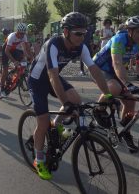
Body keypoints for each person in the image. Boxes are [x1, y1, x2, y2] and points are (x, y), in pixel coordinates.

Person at [29, 12, 112, 180]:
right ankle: (39, 159)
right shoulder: (54, 44)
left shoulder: (81, 47)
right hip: (38, 80)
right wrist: (64, 103)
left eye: (85, 33)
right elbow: (52, 75)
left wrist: (108, 94)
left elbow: (94, 70)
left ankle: (57, 123)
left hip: (53, 77)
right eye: (78, 33)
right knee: (43, 122)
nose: (83, 37)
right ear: (66, 32)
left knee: (76, 100)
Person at [93, 16, 139, 153]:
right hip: (100, 68)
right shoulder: (119, 39)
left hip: (116, 71)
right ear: (129, 31)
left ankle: (125, 130)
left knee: (130, 102)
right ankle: (98, 110)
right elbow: (117, 63)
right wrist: (126, 83)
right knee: (115, 88)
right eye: (138, 32)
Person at [0, 23, 33, 98]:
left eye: (23, 33)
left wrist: (32, 58)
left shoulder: (24, 36)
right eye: (20, 33)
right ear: (17, 31)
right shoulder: (12, 36)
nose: (21, 35)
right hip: (6, 50)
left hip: (14, 50)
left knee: (23, 63)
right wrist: (14, 61)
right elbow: (7, 51)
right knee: (5, 70)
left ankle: (18, 78)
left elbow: (28, 48)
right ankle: (2, 89)